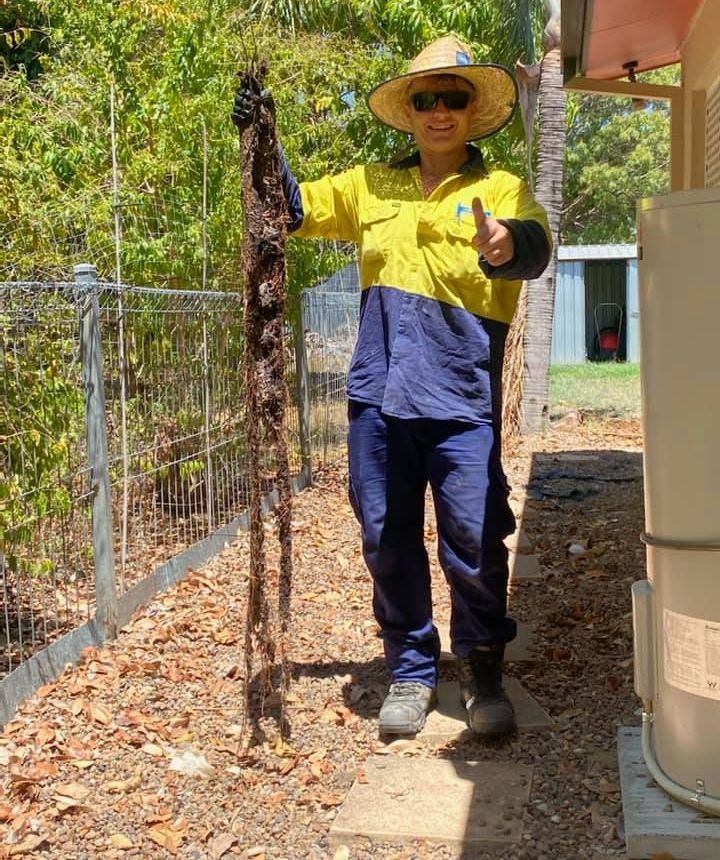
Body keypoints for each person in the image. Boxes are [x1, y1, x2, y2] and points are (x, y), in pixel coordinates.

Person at [232, 35, 551, 737]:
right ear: (408, 111)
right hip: (379, 398)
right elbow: (288, 208)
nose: (440, 110)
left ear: (472, 110)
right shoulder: (369, 185)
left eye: (454, 97)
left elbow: (535, 246)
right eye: (426, 98)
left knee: (473, 533)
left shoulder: (499, 190)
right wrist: (264, 135)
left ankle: (483, 664)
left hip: (462, 399)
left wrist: (505, 244)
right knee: (384, 536)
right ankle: (411, 667)